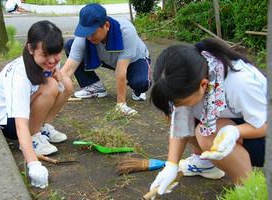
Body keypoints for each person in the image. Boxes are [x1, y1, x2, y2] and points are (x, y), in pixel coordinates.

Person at [149, 38, 267, 196]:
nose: (178, 107)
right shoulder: (190, 78)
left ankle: (249, 189)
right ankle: (208, 164)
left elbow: (265, 125)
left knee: (208, 133)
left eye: (182, 102)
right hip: (236, 124)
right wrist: (171, 165)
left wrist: (235, 132)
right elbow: (180, 124)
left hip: (262, 135)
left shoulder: (238, 82)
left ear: (204, 85)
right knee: (175, 116)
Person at [0, 20, 73, 188]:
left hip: (24, 109)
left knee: (66, 83)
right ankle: (32, 139)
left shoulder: (51, 60)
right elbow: (19, 124)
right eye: (45, 55)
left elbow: (63, 87)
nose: (51, 60)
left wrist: (59, 76)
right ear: (31, 49)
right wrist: (33, 164)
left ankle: (41, 127)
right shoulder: (19, 75)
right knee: (51, 86)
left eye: (56, 54)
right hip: (7, 122)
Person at [61, 3, 151, 115]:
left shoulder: (126, 31)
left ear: (107, 26)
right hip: (108, 58)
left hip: (134, 60)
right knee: (70, 45)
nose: (88, 37)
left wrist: (121, 104)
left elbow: (121, 70)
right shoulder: (85, 37)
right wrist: (52, 93)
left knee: (141, 84)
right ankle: (95, 86)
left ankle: (138, 88)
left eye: (92, 33)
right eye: (86, 33)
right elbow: (67, 70)